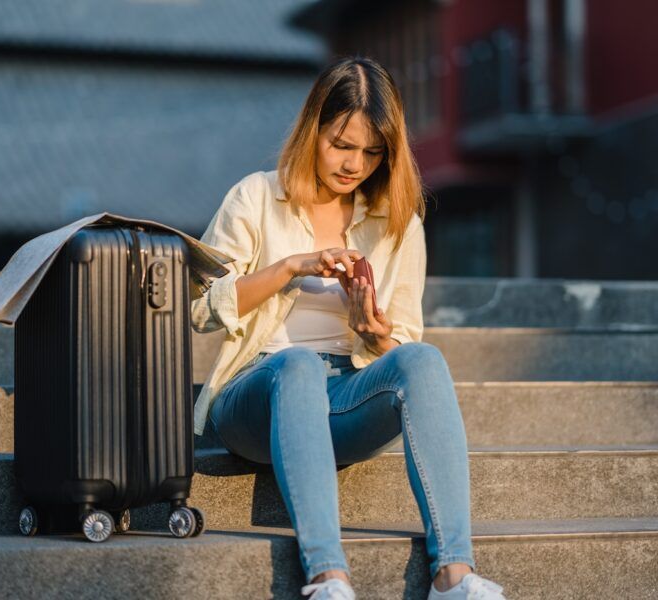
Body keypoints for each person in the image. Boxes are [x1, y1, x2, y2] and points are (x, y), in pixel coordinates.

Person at [190, 56, 506, 600]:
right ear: (314, 127)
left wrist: (371, 331)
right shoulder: (255, 197)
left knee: (423, 359)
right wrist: (292, 267)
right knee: (296, 365)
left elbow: (401, 343)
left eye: (372, 151)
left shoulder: (397, 220)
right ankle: (327, 576)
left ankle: (452, 574)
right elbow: (200, 307)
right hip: (258, 392)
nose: (354, 163)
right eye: (342, 144)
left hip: (346, 396)